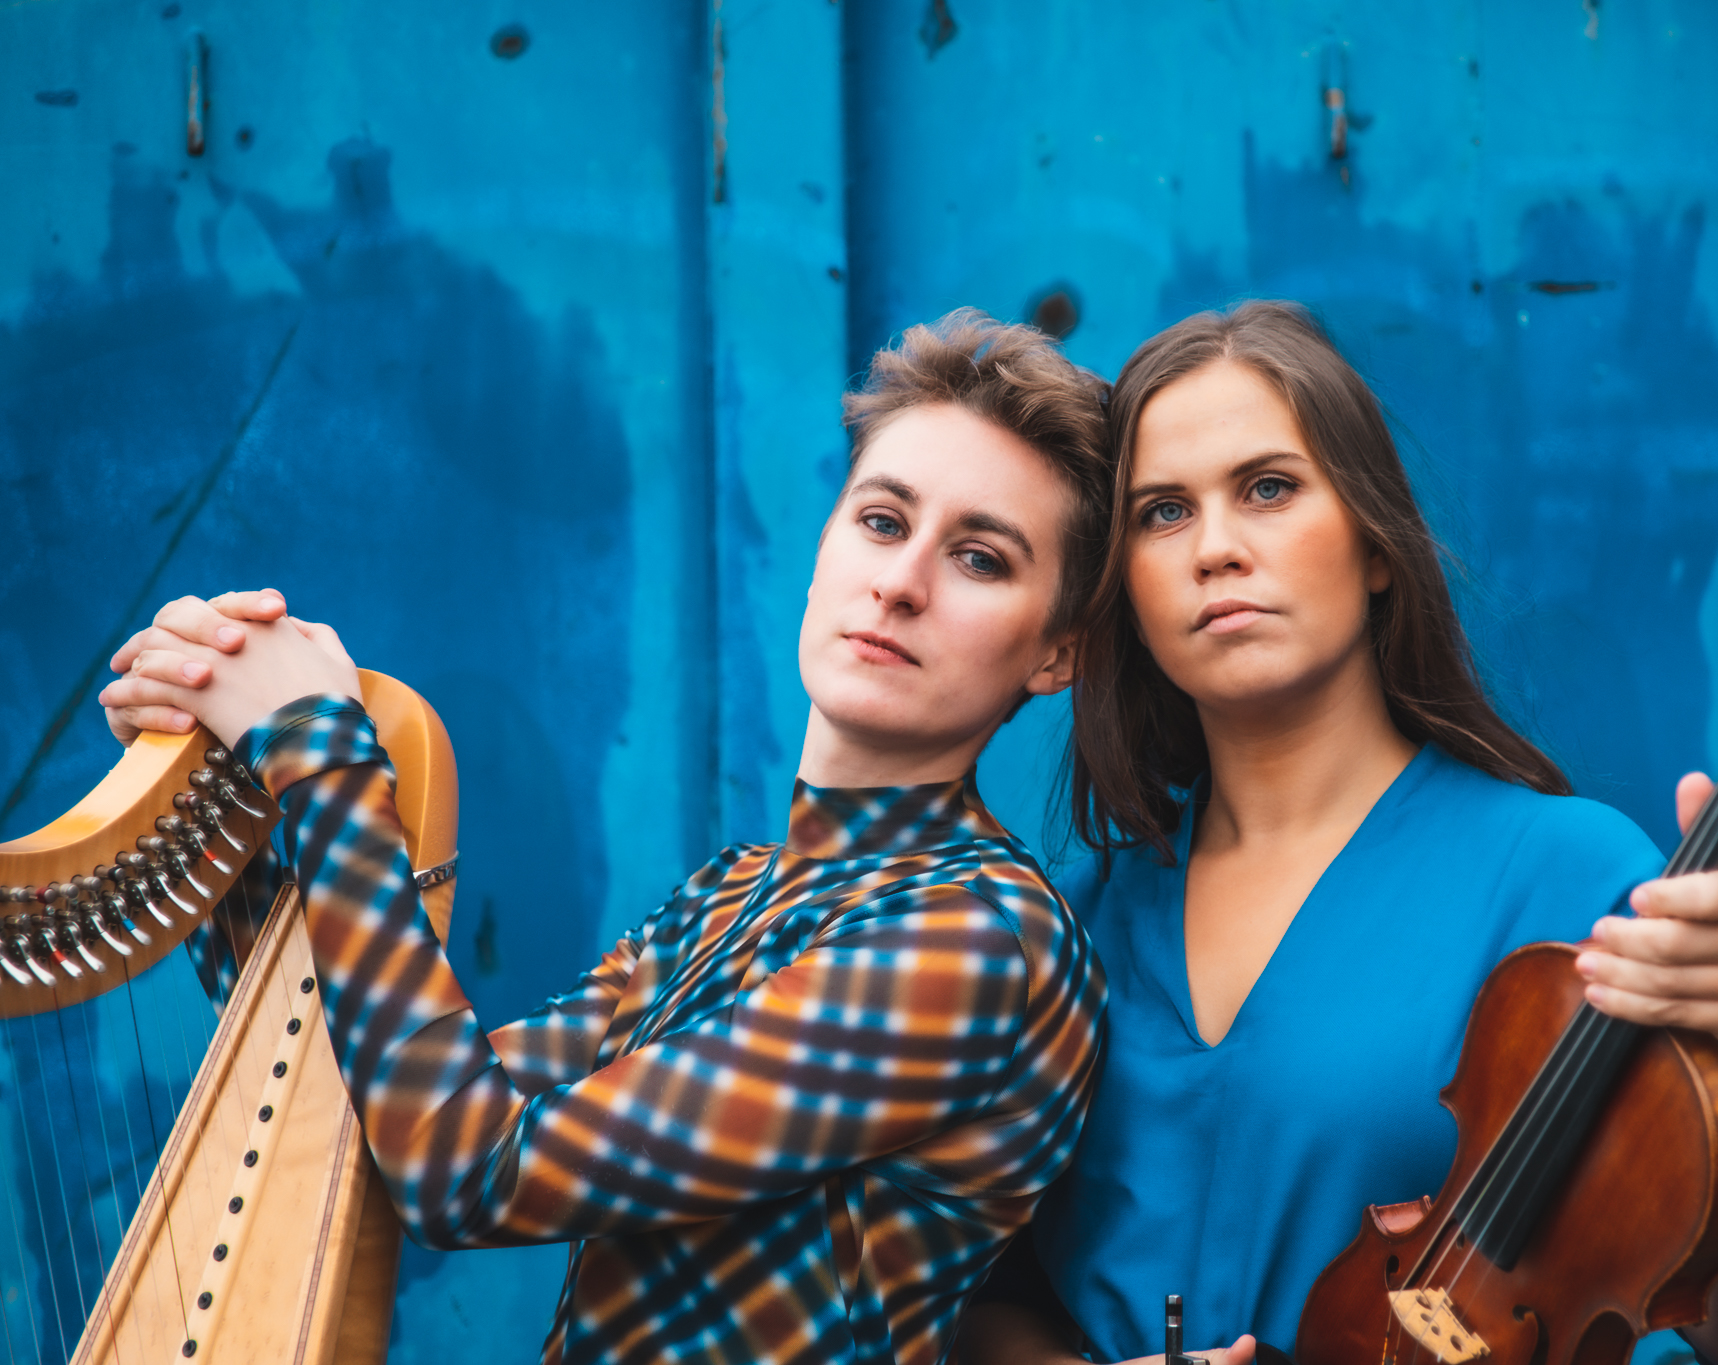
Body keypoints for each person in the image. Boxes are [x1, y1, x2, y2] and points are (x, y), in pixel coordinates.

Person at [98, 310, 1114, 1365]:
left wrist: (319, 755)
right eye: (882, 520)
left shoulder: (982, 941)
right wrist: (227, 821)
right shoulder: (735, 890)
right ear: (824, 545)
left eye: (980, 558)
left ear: (1056, 654)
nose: (901, 582)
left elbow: (469, 1170)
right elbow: (392, 1113)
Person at [954, 302, 1718, 1365]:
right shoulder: (1069, 921)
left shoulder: (1573, 883)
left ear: (1375, 545)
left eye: (1268, 488)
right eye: (1161, 513)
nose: (1215, 549)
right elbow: (982, 1300)